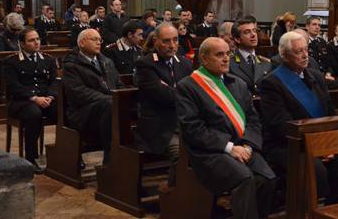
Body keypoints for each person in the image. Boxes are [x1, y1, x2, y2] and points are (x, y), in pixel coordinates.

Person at [177, 38, 276, 219]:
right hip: (210, 152)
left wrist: (247, 146)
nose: (225, 59)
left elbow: (254, 120)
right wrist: (230, 148)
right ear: (204, 59)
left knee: (267, 178)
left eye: (228, 54)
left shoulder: (237, 84)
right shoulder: (188, 86)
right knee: (245, 179)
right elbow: (193, 129)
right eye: (219, 55)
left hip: (242, 147)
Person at [260, 31, 338, 204]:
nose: (304, 55)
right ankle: (307, 211)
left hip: (319, 140)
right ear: (285, 56)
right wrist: (316, 147)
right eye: (298, 51)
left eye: (306, 50)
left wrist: (330, 143)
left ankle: (332, 211)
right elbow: (281, 125)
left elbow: (330, 113)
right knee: (315, 170)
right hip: (288, 144)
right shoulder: (272, 83)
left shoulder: (315, 75)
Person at [134, 23, 193, 185]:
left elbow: (195, 93)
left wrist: (176, 91)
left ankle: (198, 197)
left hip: (186, 123)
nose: (172, 45)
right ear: (155, 41)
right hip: (161, 127)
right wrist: (184, 95)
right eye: (166, 41)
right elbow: (162, 95)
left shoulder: (185, 63)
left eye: (175, 40)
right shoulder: (145, 64)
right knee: (182, 155)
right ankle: (175, 196)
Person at [62, 29, 124, 164]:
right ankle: (110, 161)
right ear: (82, 43)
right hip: (82, 112)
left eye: (99, 40)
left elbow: (119, 85)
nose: (98, 42)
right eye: (94, 39)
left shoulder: (107, 61)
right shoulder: (71, 65)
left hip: (107, 108)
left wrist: (122, 97)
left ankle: (130, 156)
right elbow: (80, 93)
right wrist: (111, 99)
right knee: (110, 106)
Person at [3, 28, 58, 174]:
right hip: (21, 102)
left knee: (65, 109)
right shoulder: (12, 61)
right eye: (31, 40)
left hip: (46, 99)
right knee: (34, 113)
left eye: (38, 39)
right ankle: (31, 158)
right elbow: (14, 86)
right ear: (22, 43)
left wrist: (51, 97)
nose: (36, 42)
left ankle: (66, 155)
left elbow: (54, 82)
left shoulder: (48, 59)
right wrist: (34, 98)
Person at [229, 17, 272, 98]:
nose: (253, 35)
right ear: (237, 39)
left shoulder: (266, 63)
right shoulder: (230, 63)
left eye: (254, 30)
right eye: (247, 32)